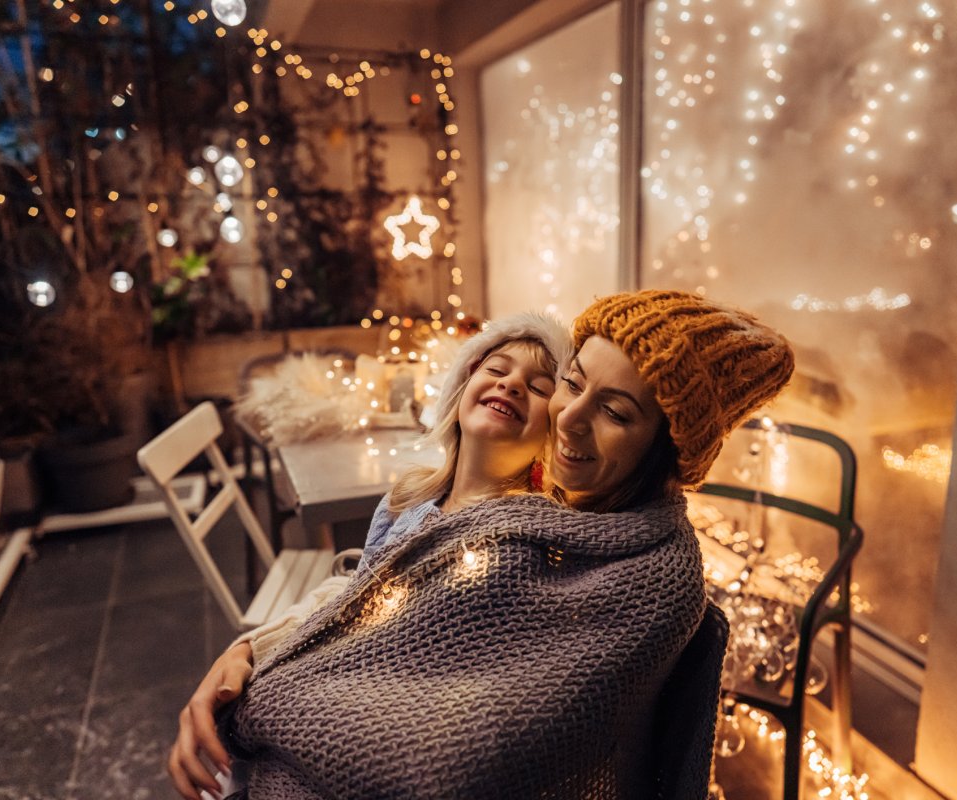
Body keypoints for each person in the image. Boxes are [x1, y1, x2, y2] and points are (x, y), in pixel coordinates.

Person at [172, 290, 794, 800]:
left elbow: (460, 762)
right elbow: (367, 598)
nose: (570, 418)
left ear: (666, 450)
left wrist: (264, 694)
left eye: (616, 412)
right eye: (573, 385)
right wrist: (254, 647)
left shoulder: (628, 571)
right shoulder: (534, 510)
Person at [169, 312, 574, 799]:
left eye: (539, 385)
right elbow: (357, 590)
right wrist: (251, 647)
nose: (511, 384)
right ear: (463, 386)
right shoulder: (405, 501)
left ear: (552, 432)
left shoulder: (517, 538)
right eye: (497, 369)